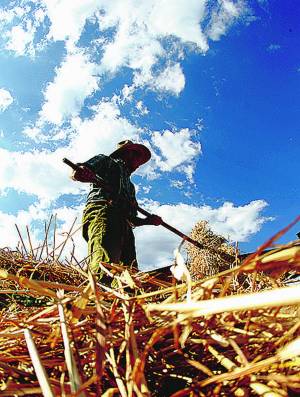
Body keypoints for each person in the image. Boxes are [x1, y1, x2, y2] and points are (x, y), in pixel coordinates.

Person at [71, 140, 162, 279]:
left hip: (124, 224)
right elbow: (78, 171)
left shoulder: (130, 187)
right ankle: (97, 295)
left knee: (129, 271)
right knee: (105, 263)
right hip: (104, 212)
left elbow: (132, 220)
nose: (139, 163)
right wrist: (81, 173)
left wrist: (148, 221)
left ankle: (126, 298)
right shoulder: (107, 162)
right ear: (127, 153)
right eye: (137, 156)